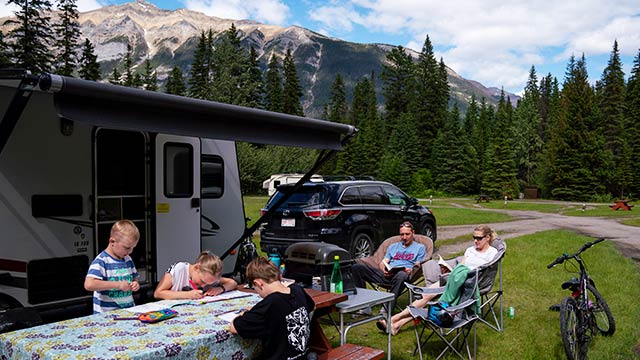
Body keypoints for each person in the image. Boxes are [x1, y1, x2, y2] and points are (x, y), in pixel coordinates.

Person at [377, 224, 499, 335]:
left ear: (487, 237)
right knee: (425, 295)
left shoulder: (492, 253)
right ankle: (396, 324)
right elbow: (461, 266)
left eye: (479, 238)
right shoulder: (470, 250)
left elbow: (484, 273)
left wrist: (462, 274)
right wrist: (448, 269)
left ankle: (394, 321)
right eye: (474, 237)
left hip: (469, 284)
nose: (475, 241)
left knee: (435, 303)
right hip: (455, 279)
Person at [230, 257, 315, 360]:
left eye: (255, 288)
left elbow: (234, 327)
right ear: (280, 276)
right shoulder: (297, 290)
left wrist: (243, 313)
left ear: (258, 283)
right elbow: (312, 306)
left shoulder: (270, 304)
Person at [351, 221, 427, 313]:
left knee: (401, 275)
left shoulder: (420, 247)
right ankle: (364, 306)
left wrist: (411, 269)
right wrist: (384, 270)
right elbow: (383, 262)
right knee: (356, 268)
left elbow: (418, 264)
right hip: (387, 273)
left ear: (413, 233)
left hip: (404, 275)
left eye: (407, 234)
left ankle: (387, 308)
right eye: (402, 234)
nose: (404, 237)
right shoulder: (393, 246)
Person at [84, 219, 141, 313]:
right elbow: (89, 284)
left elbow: (134, 278)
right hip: (106, 316)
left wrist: (135, 284)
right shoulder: (102, 261)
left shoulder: (128, 260)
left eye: (133, 248)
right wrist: (118, 285)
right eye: (127, 248)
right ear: (112, 241)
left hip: (128, 312)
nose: (130, 252)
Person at [154, 251, 237, 300]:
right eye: (202, 281)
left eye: (209, 284)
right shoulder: (180, 269)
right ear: (197, 267)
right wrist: (187, 295)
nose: (204, 285)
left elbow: (232, 283)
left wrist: (219, 289)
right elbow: (158, 293)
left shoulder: (209, 277)